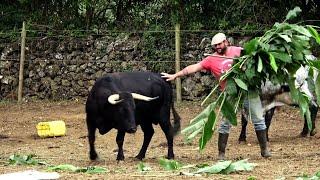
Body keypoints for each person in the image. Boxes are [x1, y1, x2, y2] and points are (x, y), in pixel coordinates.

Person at [161, 32, 271, 160]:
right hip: (230, 94)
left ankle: (264, 150)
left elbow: (256, 60)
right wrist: (175, 75)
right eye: (215, 45)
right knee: (225, 123)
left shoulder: (240, 51)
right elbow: (194, 67)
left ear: (226, 42)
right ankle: (221, 154)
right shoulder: (211, 58)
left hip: (248, 91)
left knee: (258, 119)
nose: (218, 47)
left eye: (219, 44)